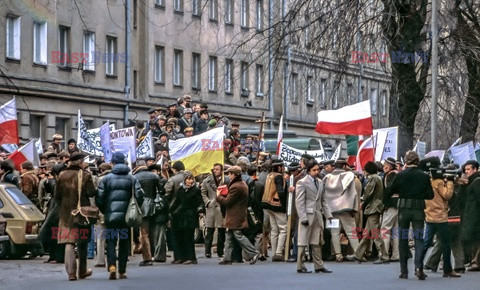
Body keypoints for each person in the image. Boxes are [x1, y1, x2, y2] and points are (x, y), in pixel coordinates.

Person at [96, 152, 144, 280]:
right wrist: (133, 208)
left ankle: (112, 266)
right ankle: (122, 270)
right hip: (126, 217)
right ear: (124, 162)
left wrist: (106, 210)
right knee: (124, 243)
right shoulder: (132, 178)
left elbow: (99, 198)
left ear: (113, 163)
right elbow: (139, 196)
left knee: (111, 241)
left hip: (111, 217)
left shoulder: (106, 179)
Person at [389, 150, 434, 280]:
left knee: (402, 239)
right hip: (418, 210)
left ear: (406, 161)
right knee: (419, 239)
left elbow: (392, 190)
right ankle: (418, 267)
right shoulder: (424, 176)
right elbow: (430, 195)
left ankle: (404, 271)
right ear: (417, 161)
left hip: (403, 210)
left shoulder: (400, 175)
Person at [55, 152, 96, 281]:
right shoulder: (85, 175)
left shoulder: (61, 175)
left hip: (66, 213)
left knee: (69, 242)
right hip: (82, 213)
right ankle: (82, 271)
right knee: (82, 241)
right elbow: (91, 193)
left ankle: (71, 273)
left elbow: (57, 196)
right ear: (79, 162)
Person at [419, 163, 461, 278]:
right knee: (446, 243)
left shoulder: (427, 181)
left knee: (426, 242)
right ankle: (447, 270)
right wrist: (451, 182)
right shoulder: (438, 182)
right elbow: (447, 195)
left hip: (429, 215)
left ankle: (418, 267)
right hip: (440, 217)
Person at [217, 166, 260, 265]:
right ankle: (227, 258)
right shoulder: (241, 184)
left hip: (235, 214)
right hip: (237, 213)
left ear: (234, 174)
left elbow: (228, 201)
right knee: (229, 236)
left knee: (238, 235)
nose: (228, 176)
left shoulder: (236, 186)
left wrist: (219, 196)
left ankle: (253, 252)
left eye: (230, 173)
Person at [295, 160, 333, 273]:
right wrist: (303, 217)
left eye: (318, 170)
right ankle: (300, 266)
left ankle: (319, 266)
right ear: (308, 171)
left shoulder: (320, 182)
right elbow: (299, 202)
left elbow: (324, 200)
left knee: (316, 241)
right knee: (302, 241)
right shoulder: (302, 182)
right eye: (314, 170)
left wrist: (328, 215)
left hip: (317, 214)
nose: (317, 172)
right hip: (307, 214)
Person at [348, 161, 389, 263]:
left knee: (375, 234)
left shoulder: (373, 178)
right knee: (367, 234)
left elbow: (368, 192)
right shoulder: (377, 178)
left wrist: (362, 201)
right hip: (374, 208)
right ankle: (358, 254)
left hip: (373, 208)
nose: (364, 172)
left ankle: (383, 256)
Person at [323, 158, 360, 262]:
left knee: (334, 232)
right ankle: (358, 253)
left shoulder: (327, 177)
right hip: (346, 208)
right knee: (351, 231)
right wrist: (354, 208)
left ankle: (338, 255)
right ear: (344, 166)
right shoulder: (349, 175)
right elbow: (353, 194)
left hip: (331, 209)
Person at [169, 171, 203, 264]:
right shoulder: (180, 189)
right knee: (181, 237)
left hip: (190, 215)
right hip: (180, 217)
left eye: (191, 178)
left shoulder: (195, 190)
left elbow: (199, 202)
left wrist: (199, 210)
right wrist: (171, 211)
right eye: (188, 179)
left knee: (189, 237)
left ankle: (191, 258)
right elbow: (176, 201)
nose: (190, 181)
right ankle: (181, 257)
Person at [133, 160, 163, 266]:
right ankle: (156, 254)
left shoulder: (135, 177)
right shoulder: (154, 176)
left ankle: (147, 257)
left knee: (144, 233)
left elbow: (135, 194)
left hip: (142, 207)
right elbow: (161, 190)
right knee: (153, 232)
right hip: (154, 206)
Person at [261, 159, 288, 262]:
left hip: (267, 204)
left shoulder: (269, 175)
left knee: (274, 229)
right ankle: (278, 252)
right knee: (283, 229)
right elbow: (280, 191)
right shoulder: (278, 177)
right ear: (279, 167)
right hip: (276, 205)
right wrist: (284, 205)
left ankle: (274, 251)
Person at [201, 163, 226, 258]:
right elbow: (203, 193)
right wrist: (207, 202)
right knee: (209, 230)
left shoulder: (225, 180)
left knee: (221, 231)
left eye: (217, 169)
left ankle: (220, 251)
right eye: (214, 169)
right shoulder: (206, 181)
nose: (215, 171)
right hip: (211, 208)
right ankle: (207, 251)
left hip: (221, 207)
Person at [460, 160, 480, 271]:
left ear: (475, 169)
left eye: (468, 169)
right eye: (465, 170)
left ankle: (475, 262)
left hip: (475, 214)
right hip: (470, 214)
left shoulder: (477, 181)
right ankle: (472, 260)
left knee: (475, 238)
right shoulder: (470, 181)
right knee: (470, 238)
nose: (466, 172)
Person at [379, 157, 399, 261]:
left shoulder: (391, 175)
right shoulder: (399, 173)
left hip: (391, 204)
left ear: (389, 166)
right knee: (396, 231)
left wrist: (385, 202)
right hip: (399, 205)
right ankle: (396, 254)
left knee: (385, 230)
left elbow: (389, 189)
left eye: (385, 165)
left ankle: (384, 255)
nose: (383, 167)